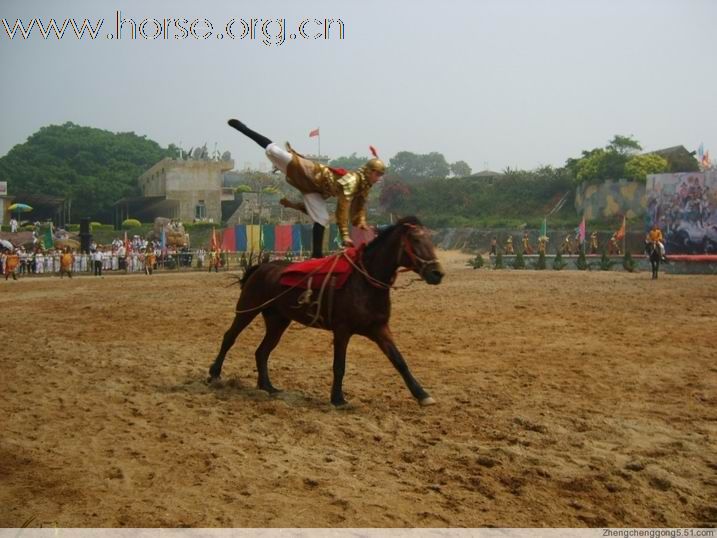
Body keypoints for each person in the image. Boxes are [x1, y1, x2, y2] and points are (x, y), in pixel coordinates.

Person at [227, 118, 385, 258]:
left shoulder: (364, 187)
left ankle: (316, 255)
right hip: (311, 173)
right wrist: (344, 234)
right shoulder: (353, 180)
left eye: (380, 175)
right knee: (274, 151)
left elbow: (359, 209)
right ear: (370, 171)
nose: (378, 178)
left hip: (317, 191)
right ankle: (244, 128)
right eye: (377, 174)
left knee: (322, 218)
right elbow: (342, 208)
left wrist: (362, 222)